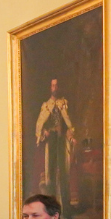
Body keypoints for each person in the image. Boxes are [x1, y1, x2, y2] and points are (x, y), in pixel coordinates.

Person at [34, 80, 75, 212]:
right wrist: (44, 131)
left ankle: (66, 209)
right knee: (50, 174)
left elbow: (69, 123)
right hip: (51, 141)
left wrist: (70, 135)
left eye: (57, 85)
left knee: (63, 173)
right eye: (52, 85)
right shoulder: (46, 106)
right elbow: (40, 124)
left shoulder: (64, 104)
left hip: (61, 141)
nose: (55, 87)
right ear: (50, 88)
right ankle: (51, 209)